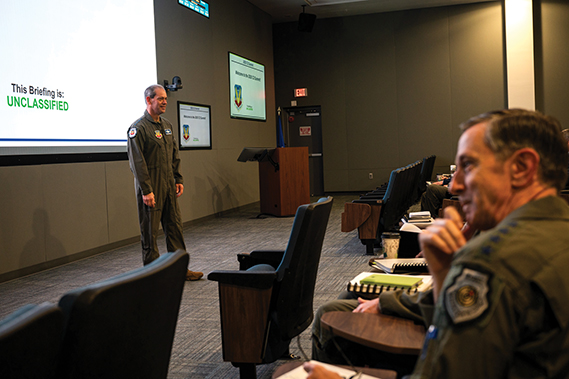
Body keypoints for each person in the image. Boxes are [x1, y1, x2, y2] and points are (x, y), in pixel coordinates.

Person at [306, 109, 569, 378]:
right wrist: (446, 276)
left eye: (468, 165)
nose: (454, 185)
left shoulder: (490, 261)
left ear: (521, 168)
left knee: (332, 332)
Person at [127, 84, 203, 281]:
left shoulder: (167, 126)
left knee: (175, 227)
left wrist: (178, 178)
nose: (164, 102)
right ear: (148, 100)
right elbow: (137, 163)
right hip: (151, 187)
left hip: (169, 184)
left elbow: (174, 155)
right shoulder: (138, 128)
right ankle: (152, 275)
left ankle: (180, 270)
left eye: (165, 99)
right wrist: (146, 190)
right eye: (160, 99)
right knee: (150, 234)